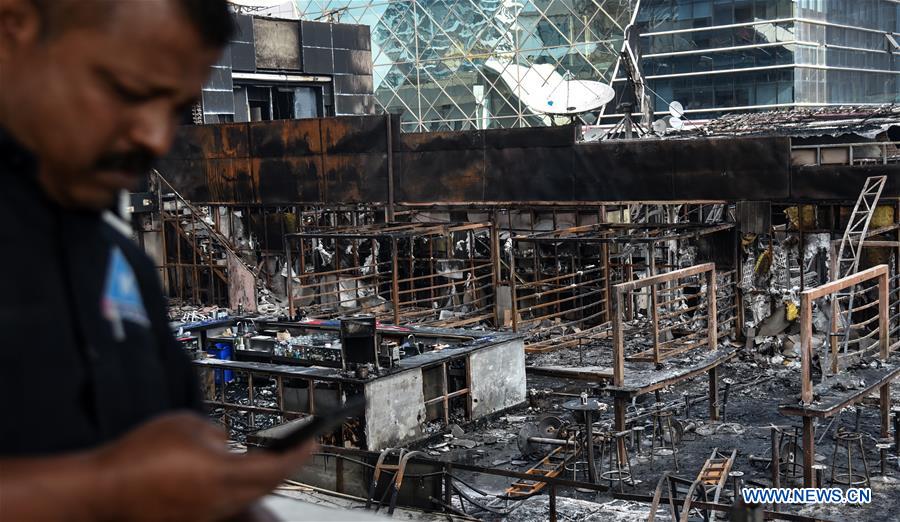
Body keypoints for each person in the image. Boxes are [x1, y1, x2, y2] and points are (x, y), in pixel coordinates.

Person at [0, 0, 314, 519]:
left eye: (173, 107)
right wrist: (107, 492)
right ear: (13, 29)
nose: (155, 136)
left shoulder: (120, 265)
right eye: (127, 90)